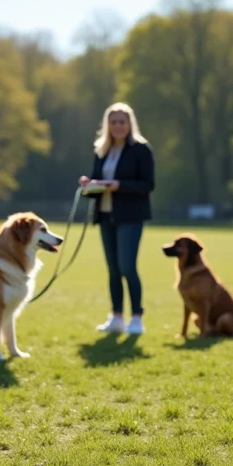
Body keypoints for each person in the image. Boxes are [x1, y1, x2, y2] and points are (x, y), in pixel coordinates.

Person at [79, 102, 155, 335]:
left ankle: (137, 318)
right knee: (113, 269)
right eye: (113, 122)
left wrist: (119, 185)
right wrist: (88, 184)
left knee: (127, 267)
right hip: (105, 215)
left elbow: (148, 184)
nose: (118, 126)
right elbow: (96, 179)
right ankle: (117, 317)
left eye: (122, 122)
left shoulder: (141, 149)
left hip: (130, 216)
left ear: (129, 124)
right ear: (107, 125)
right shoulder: (101, 150)